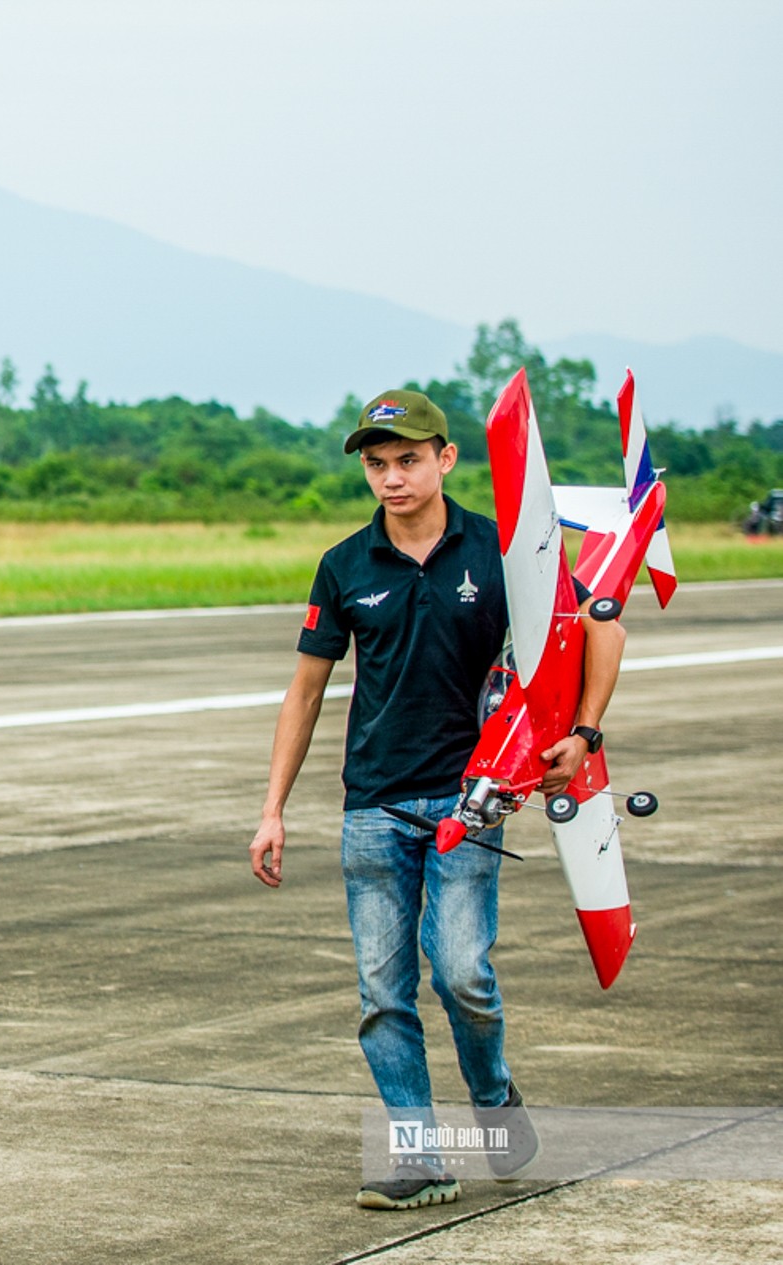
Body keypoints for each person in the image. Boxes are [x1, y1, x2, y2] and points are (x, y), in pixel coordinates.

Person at [248, 390, 625, 1211]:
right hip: (372, 806)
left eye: (408, 460)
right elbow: (305, 691)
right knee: (383, 996)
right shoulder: (345, 565)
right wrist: (273, 807)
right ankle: (418, 1159)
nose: (392, 477)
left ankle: (493, 1098)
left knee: (462, 975)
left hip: (472, 800)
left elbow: (600, 628)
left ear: (445, 459)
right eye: (377, 464)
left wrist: (583, 733)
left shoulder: (502, 549)